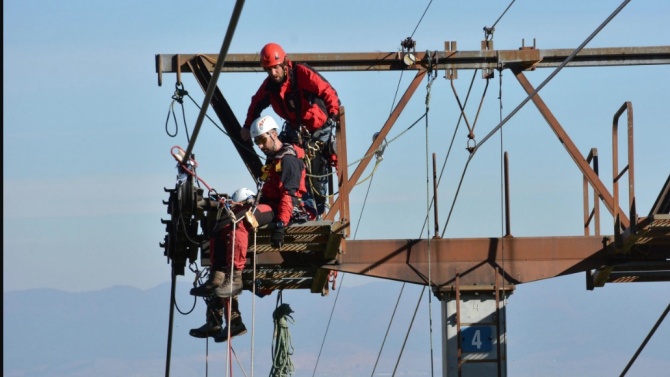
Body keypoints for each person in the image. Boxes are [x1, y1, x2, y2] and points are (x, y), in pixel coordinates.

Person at [189, 115, 308, 342]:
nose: (261, 146)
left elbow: (288, 196)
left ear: (274, 134)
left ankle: (233, 278)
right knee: (222, 223)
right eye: (258, 143)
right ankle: (217, 280)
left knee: (240, 223)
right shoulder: (274, 160)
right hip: (269, 204)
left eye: (263, 140)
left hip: (282, 210)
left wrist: (281, 225)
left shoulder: (289, 160)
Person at [240, 42, 341, 216]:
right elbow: (255, 104)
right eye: (269, 69)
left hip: (318, 128)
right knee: (280, 157)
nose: (273, 73)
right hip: (297, 130)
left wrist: (334, 115)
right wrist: (247, 126)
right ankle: (284, 203)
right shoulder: (269, 87)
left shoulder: (301, 74)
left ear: (284, 63)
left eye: (276, 68)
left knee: (315, 172)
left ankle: (315, 210)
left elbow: (327, 91)